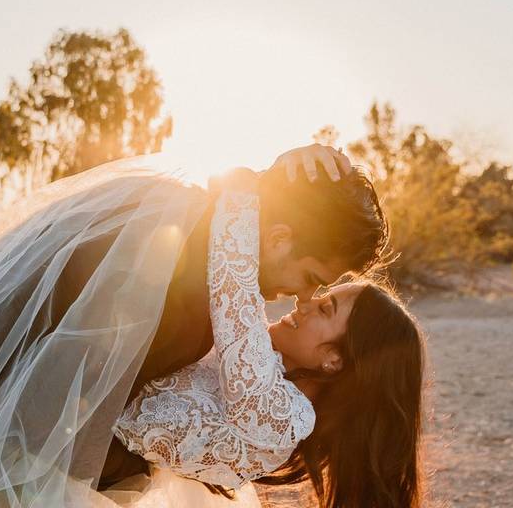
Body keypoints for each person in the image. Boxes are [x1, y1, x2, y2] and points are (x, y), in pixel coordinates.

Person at [0, 144, 392, 507]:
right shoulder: (176, 249)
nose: (303, 294)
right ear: (278, 237)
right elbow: (56, 387)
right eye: (312, 276)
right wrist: (258, 184)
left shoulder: (199, 237)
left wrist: (262, 183)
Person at [109, 186, 425, 508]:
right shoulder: (268, 366)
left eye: (325, 308)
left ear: (334, 360)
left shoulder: (283, 417)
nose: (305, 301)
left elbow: (234, 282)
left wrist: (245, 184)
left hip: (87, 469)